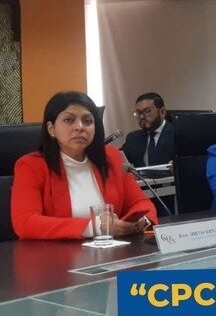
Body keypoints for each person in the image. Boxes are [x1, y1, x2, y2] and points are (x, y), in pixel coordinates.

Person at [11, 92, 157, 240]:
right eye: (69, 120)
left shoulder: (111, 157)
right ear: (51, 129)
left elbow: (141, 203)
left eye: (87, 121)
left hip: (112, 250)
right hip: (56, 253)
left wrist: (140, 222)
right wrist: (95, 227)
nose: (80, 127)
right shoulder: (31, 166)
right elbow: (25, 222)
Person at [121, 92, 174, 167]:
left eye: (147, 111)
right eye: (138, 113)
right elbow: (118, 161)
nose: (142, 117)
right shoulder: (133, 138)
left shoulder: (178, 134)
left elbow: (189, 163)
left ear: (162, 112)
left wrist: (179, 167)